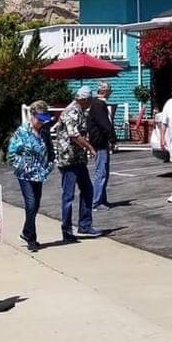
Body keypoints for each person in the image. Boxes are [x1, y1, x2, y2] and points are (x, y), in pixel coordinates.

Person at [6, 99, 55, 251]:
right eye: (39, 120)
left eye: (44, 120)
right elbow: (11, 154)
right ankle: (31, 239)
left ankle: (27, 232)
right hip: (25, 174)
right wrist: (23, 166)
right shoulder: (22, 132)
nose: (41, 123)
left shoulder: (44, 133)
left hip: (39, 174)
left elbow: (50, 152)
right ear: (32, 116)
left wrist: (49, 166)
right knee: (31, 203)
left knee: (36, 205)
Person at [56, 86, 100, 241]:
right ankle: (67, 231)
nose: (90, 103)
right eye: (89, 100)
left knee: (88, 190)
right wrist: (90, 147)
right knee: (68, 196)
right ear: (83, 99)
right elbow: (73, 134)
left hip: (78, 158)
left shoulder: (80, 111)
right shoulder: (72, 111)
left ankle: (85, 225)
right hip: (69, 159)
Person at [87, 80, 117, 209]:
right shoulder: (99, 105)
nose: (110, 93)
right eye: (109, 90)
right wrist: (113, 139)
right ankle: (97, 201)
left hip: (100, 142)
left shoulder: (96, 104)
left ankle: (102, 199)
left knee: (104, 171)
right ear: (104, 91)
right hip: (100, 143)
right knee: (101, 172)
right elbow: (105, 125)